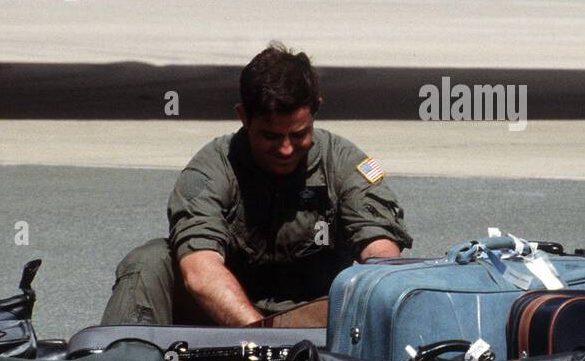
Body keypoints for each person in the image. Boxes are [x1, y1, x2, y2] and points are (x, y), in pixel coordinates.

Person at [101, 43, 412, 327]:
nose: (286, 149)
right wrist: (262, 338)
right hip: (224, 314)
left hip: (315, 316)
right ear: (243, 117)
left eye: (299, 134)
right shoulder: (211, 168)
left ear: (316, 108)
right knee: (149, 259)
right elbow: (199, 271)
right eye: (271, 136)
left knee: (388, 279)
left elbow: (381, 249)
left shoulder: (344, 162)